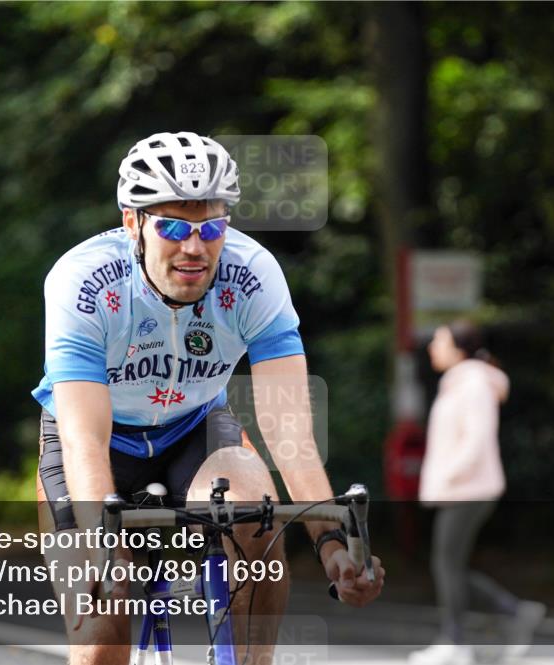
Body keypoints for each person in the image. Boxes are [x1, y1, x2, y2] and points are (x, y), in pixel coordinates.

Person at [31, 131, 384, 665]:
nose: (194, 247)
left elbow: (289, 434)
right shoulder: (82, 282)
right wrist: (101, 550)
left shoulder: (253, 277)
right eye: (173, 226)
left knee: (254, 516)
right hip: (96, 441)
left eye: (211, 227)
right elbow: (84, 439)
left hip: (193, 425)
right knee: (102, 632)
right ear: (134, 222)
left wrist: (333, 546)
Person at [408, 321, 545, 665]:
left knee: (446, 564)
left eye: (438, 341)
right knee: (449, 565)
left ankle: (455, 641)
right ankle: (514, 612)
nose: (431, 348)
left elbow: (477, 438)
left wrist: (448, 477)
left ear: (458, 348)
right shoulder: (460, 382)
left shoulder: (473, 384)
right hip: (462, 488)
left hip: (469, 488)